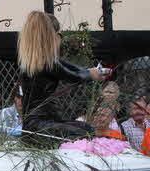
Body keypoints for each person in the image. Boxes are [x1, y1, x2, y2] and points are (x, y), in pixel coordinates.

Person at [18, 11, 107, 142]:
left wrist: (90, 71)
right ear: (50, 37)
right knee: (85, 132)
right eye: (59, 35)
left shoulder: (35, 62)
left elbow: (70, 67)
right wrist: (90, 74)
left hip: (37, 124)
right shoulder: (47, 63)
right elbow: (73, 75)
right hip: (40, 126)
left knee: (86, 128)